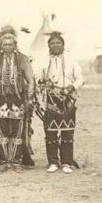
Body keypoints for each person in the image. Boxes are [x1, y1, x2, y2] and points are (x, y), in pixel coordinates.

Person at [0, 26, 35, 172]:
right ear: (1, 45)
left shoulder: (23, 59)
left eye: (10, 44)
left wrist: (30, 95)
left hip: (17, 99)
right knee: (2, 131)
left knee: (17, 131)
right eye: (5, 44)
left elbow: (31, 78)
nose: (7, 47)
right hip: (1, 100)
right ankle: (3, 161)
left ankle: (16, 160)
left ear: (15, 45)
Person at [35, 31, 84, 173]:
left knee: (67, 131)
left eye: (58, 43)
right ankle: (53, 162)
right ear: (49, 45)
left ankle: (67, 162)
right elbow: (37, 77)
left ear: (63, 45)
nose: (55, 45)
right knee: (50, 132)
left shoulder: (71, 59)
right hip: (50, 99)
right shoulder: (43, 60)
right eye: (52, 43)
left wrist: (72, 87)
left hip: (68, 99)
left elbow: (80, 79)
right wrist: (43, 81)